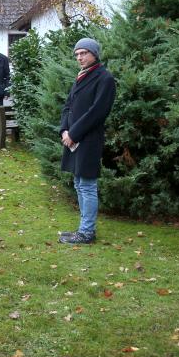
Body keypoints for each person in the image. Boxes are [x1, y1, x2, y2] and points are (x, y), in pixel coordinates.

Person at [58, 38, 117, 245]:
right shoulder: (81, 77)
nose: (79, 57)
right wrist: (64, 130)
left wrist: (74, 133)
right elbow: (68, 106)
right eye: (77, 54)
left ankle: (87, 233)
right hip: (72, 138)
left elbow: (97, 112)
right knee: (78, 182)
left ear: (94, 54)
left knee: (87, 185)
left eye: (83, 53)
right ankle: (82, 229)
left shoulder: (104, 78)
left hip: (89, 139)